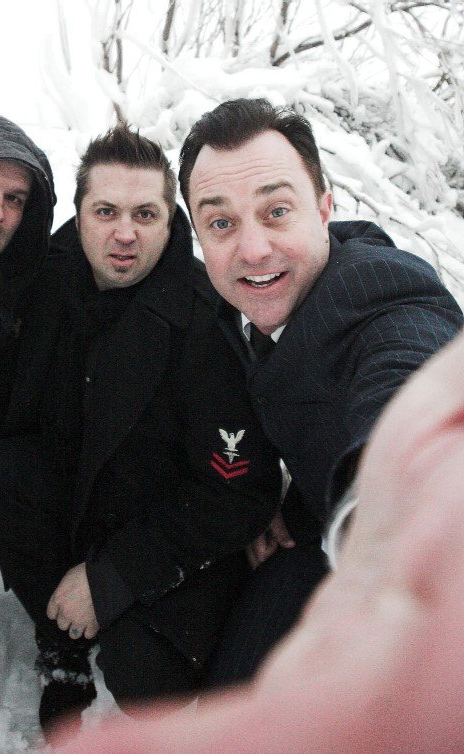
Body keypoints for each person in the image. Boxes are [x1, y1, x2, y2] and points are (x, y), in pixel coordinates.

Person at [0, 125, 281, 738]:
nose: (125, 233)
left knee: (147, 679)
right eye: (106, 211)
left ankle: (108, 616)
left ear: (170, 220)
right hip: (70, 495)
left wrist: (113, 577)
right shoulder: (42, 281)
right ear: (79, 214)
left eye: (145, 214)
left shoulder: (206, 321)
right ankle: (61, 641)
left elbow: (238, 491)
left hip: (157, 519)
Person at [56, 326, 464, 753]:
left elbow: (400, 364)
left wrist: (390, 491)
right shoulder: (239, 317)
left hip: (338, 548)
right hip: (287, 528)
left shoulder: (377, 303)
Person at [176, 97, 462, 687]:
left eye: (277, 211)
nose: (253, 249)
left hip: (392, 562)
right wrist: (298, 508)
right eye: (221, 223)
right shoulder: (235, 305)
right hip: (311, 530)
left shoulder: (382, 292)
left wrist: (388, 517)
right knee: (231, 684)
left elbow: (406, 376)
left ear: (324, 209)